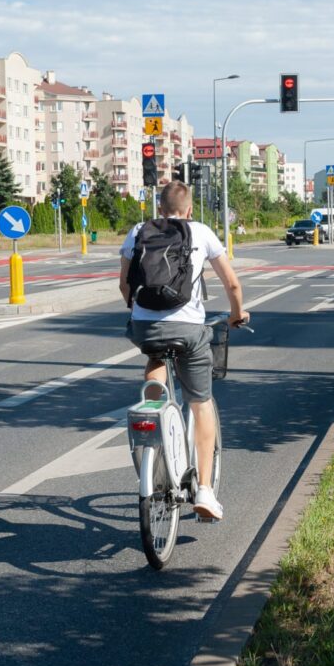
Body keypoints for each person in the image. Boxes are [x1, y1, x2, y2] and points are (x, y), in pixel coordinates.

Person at [120, 181, 248, 522]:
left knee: (155, 356)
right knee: (200, 401)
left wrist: (143, 316)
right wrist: (237, 314)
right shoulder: (201, 231)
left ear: (160, 209)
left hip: (145, 327)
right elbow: (232, 284)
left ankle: (154, 411)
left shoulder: (137, 231)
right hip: (189, 331)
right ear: (189, 210)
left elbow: (124, 286)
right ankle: (204, 490)